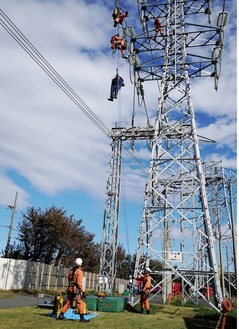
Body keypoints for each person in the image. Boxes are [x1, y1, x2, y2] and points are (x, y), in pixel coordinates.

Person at [58, 258, 90, 323]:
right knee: (80, 303)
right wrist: (83, 291)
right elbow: (79, 283)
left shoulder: (71, 270)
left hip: (71, 288)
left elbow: (69, 279)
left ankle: (61, 315)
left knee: (68, 302)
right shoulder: (79, 272)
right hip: (77, 289)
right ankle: (82, 318)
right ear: (81, 264)